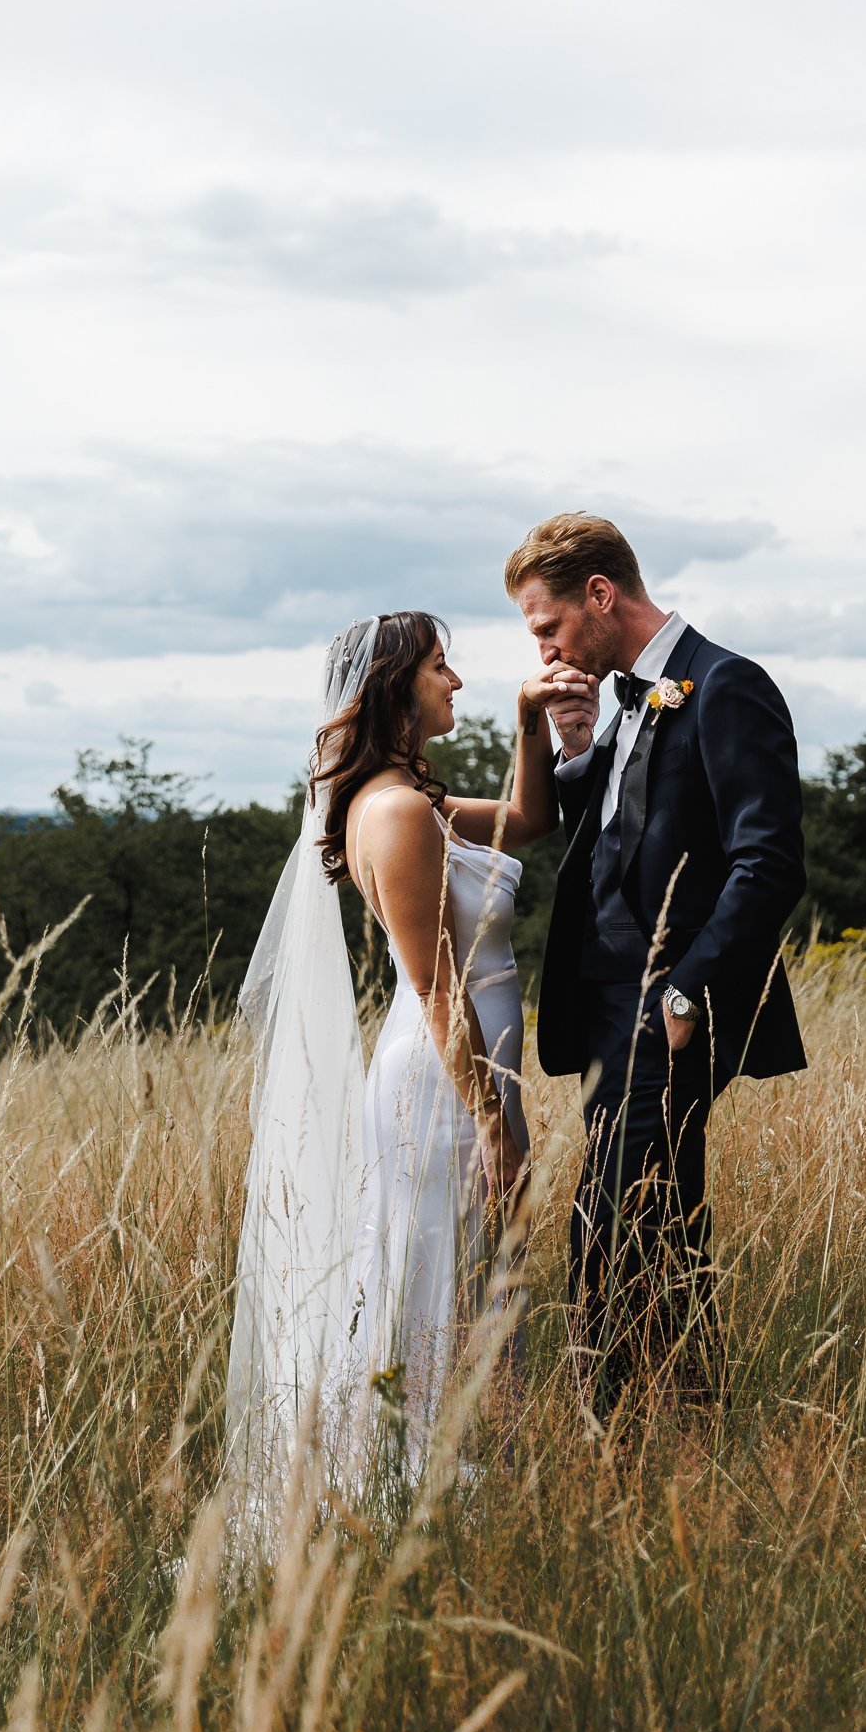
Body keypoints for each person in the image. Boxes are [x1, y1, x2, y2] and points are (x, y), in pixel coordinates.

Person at [225, 609, 593, 1537]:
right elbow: (437, 987)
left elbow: (530, 819)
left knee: (454, 1280)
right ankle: (398, 1488)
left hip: (462, 1079)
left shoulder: (411, 796)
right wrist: (496, 1127)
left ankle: (423, 1479)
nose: (454, 682)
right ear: (395, 686)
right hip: (438, 1087)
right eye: (441, 667)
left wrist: (527, 722)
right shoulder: (391, 811)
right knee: (426, 1279)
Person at [507, 513, 806, 1410]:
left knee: (612, 1224)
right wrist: (573, 748)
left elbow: (768, 864)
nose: (547, 651)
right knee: (654, 1220)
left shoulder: (723, 685)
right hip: (606, 1013)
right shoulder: (629, 698)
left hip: (671, 1011)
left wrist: (686, 995)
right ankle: (681, 1428)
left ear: (601, 595)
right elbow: (617, 832)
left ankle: (620, 1432)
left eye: (549, 627)